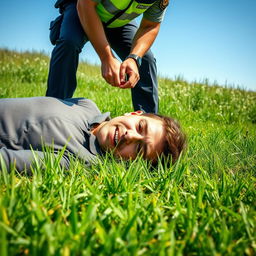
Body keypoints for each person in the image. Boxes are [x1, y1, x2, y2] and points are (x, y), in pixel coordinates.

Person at [0, 97, 186, 174]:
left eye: (139, 148)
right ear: (134, 114)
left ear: (132, 164)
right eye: (140, 127)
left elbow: (6, 161)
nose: (130, 135)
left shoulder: (79, 160)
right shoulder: (88, 105)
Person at [46, 0, 170, 113]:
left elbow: (150, 26)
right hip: (83, 6)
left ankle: (147, 124)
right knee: (69, 42)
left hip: (118, 22)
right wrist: (106, 57)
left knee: (145, 59)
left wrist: (134, 57)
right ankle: (52, 111)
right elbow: (85, 4)